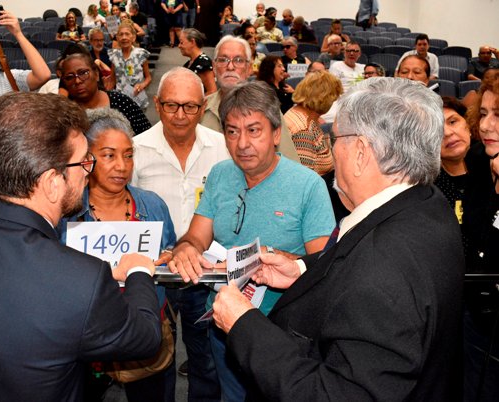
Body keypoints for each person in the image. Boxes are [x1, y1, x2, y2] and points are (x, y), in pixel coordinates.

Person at [0, 92, 162, 402]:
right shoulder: (82, 280)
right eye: (82, 162)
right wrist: (139, 269)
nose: (87, 172)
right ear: (52, 182)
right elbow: (144, 338)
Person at [211, 77, 464, 402]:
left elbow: (334, 393)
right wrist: (302, 269)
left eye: (335, 139)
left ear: (360, 151)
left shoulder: (383, 270)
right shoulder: (426, 204)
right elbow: (357, 262)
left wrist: (244, 325)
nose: (331, 151)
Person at [170, 80, 334, 402]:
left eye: (254, 130)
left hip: (281, 331)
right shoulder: (219, 174)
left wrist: (269, 257)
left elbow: (325, 265)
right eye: (232, 132)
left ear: (276, 134)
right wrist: (187, 248)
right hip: (224, 321)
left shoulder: (308, 185)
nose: (242, 143)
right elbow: (196, 235)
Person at [58, 107, 175, 402]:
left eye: (128, 154)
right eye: (109, 155)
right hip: (84, 339)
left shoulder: (152, 206)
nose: (122, 166)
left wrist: (168, 259)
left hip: (143, 334)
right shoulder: (65, 212)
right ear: (87, 159)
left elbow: (169, 252)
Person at [132, 67, 228, 402]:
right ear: (157, 105)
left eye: (190, 106)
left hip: (206, 272)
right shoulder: (135, 150)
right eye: (172, 105)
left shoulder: (223, 149)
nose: (180, 115)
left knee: (206, 360)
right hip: (155, 275)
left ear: (203, 108)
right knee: (155, 361)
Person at [200, 35, 301, 164]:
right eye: (223, 60)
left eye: (238, 60)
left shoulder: (267, 107)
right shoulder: (199, 109)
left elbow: (289, 163)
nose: (230, 67)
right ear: (214, 67)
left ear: (249, 68)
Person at [461, 75, 499, 401]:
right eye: (483, 113)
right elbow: (475, 232)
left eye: (498, 114)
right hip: (476, 312)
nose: (486, 125)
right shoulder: (476, 158)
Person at [60, 49, 151, 135]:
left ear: (96, 74)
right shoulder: (64, 115)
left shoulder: (121, 102)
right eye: (69, 77)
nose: (77, 81)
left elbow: (147, 136)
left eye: (83, 73)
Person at [284, 70, 342, 175]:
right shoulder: (303, 131)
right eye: (333, 100)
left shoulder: (303, 114)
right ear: (324, 99)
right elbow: (304, 179)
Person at [109, 22, 151, 110]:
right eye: (121, 34)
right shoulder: (114, 55)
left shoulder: (141, 54)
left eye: (127, 34)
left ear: (133, 37)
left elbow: (148, 78)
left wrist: (142, 85)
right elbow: (112, 80)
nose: (124, 37)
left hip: (137, 96)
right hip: (120, 98)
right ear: (117, 38)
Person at [179, 28, 216, 96]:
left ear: (192, 42)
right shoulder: (191, 62)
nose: (179, 46)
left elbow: (212, 91)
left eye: (181, 42)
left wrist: (194, 103)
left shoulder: (203, 63)